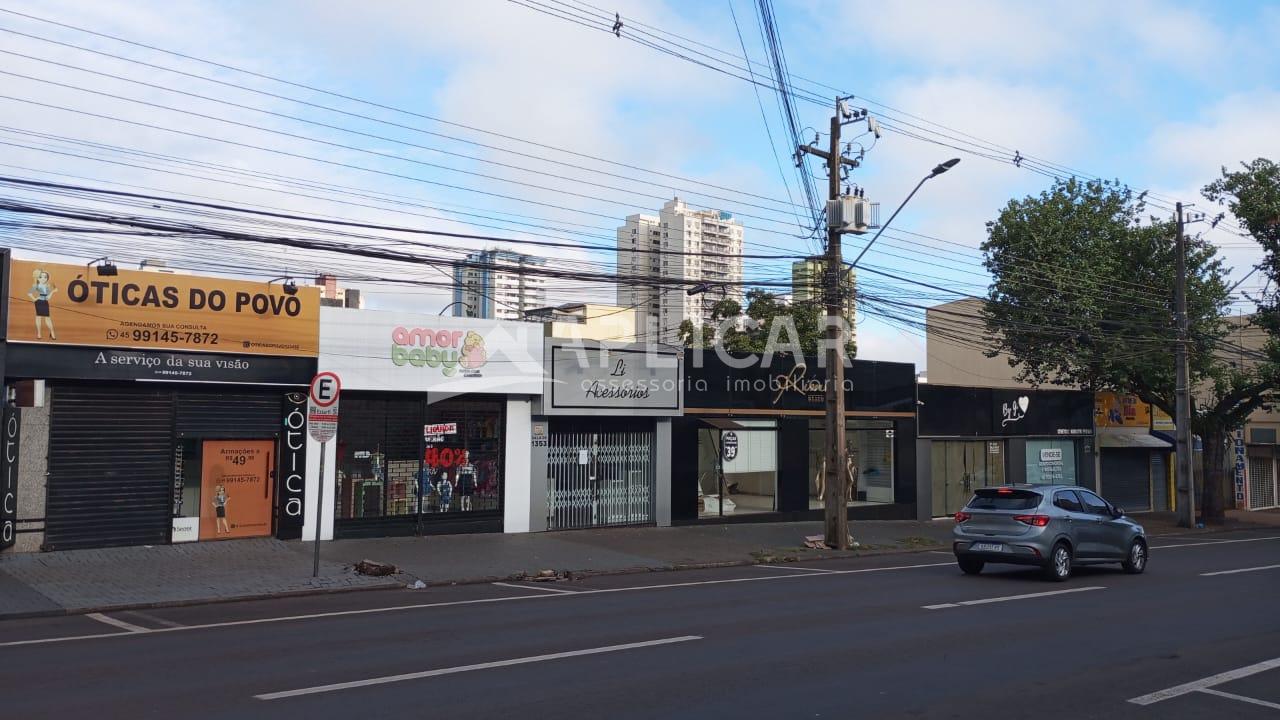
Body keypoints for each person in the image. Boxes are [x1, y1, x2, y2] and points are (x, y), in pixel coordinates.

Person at [27, 268, 57, 340]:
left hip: (45, 302)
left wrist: (53, 292)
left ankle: (52, 332)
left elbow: (48, 298)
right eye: (41, 277)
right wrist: (35, 299)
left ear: (47, 278)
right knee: (38, 317)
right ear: (38, 278)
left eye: (45, 277)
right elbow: (29, 293)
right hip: (39, 302)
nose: (43, 278)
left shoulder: (47, 287)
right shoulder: (36, 286)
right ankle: (39, 333)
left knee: (47, 318)